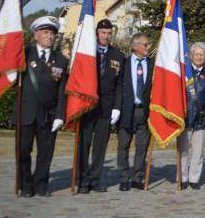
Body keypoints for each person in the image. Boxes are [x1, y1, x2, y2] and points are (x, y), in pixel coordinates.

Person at [13, 16, 67, 197]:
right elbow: (12, 80)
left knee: (46, 154)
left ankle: (41, 184)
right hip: (25, 112)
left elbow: (62, 91)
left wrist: (60, 115)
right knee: (22, 152)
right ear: (36, 35)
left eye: (52, 33)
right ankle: (25, 184)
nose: (49, 37)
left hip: (48, 115)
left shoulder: (61, 60)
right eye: (45, 32)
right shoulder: (24, 55)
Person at [77, 19, 124, 194]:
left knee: (100, 146)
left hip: (106, 107)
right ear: (97, 33)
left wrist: (117, 107)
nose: (106, 36)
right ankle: (82, 180)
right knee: (84, 143)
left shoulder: (118, 55)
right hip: (87, 105)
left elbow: (120, 84)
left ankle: (95, 180)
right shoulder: (87, 52)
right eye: (103, 33)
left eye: (109, 33)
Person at [112, 32, 153, 191]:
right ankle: (124, 177)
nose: (148, 47)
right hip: (127, 110)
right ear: (135, 46)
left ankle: (137, 176)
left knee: (142, 146)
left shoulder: (152, 64)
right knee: (123, 145)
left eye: (148, 44)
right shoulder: (124, 63)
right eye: (145, 44)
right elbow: (118, 86)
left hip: (144, 111)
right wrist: (116, 107)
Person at [177, 42, 205, 190]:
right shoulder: (184, 72)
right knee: (183, 150)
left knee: (198, 152)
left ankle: (194, 179)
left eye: (202, 55)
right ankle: (182, 178)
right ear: (191, 56)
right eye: (197, 54)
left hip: (202, 117)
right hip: (186, 117)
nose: (199, 57)